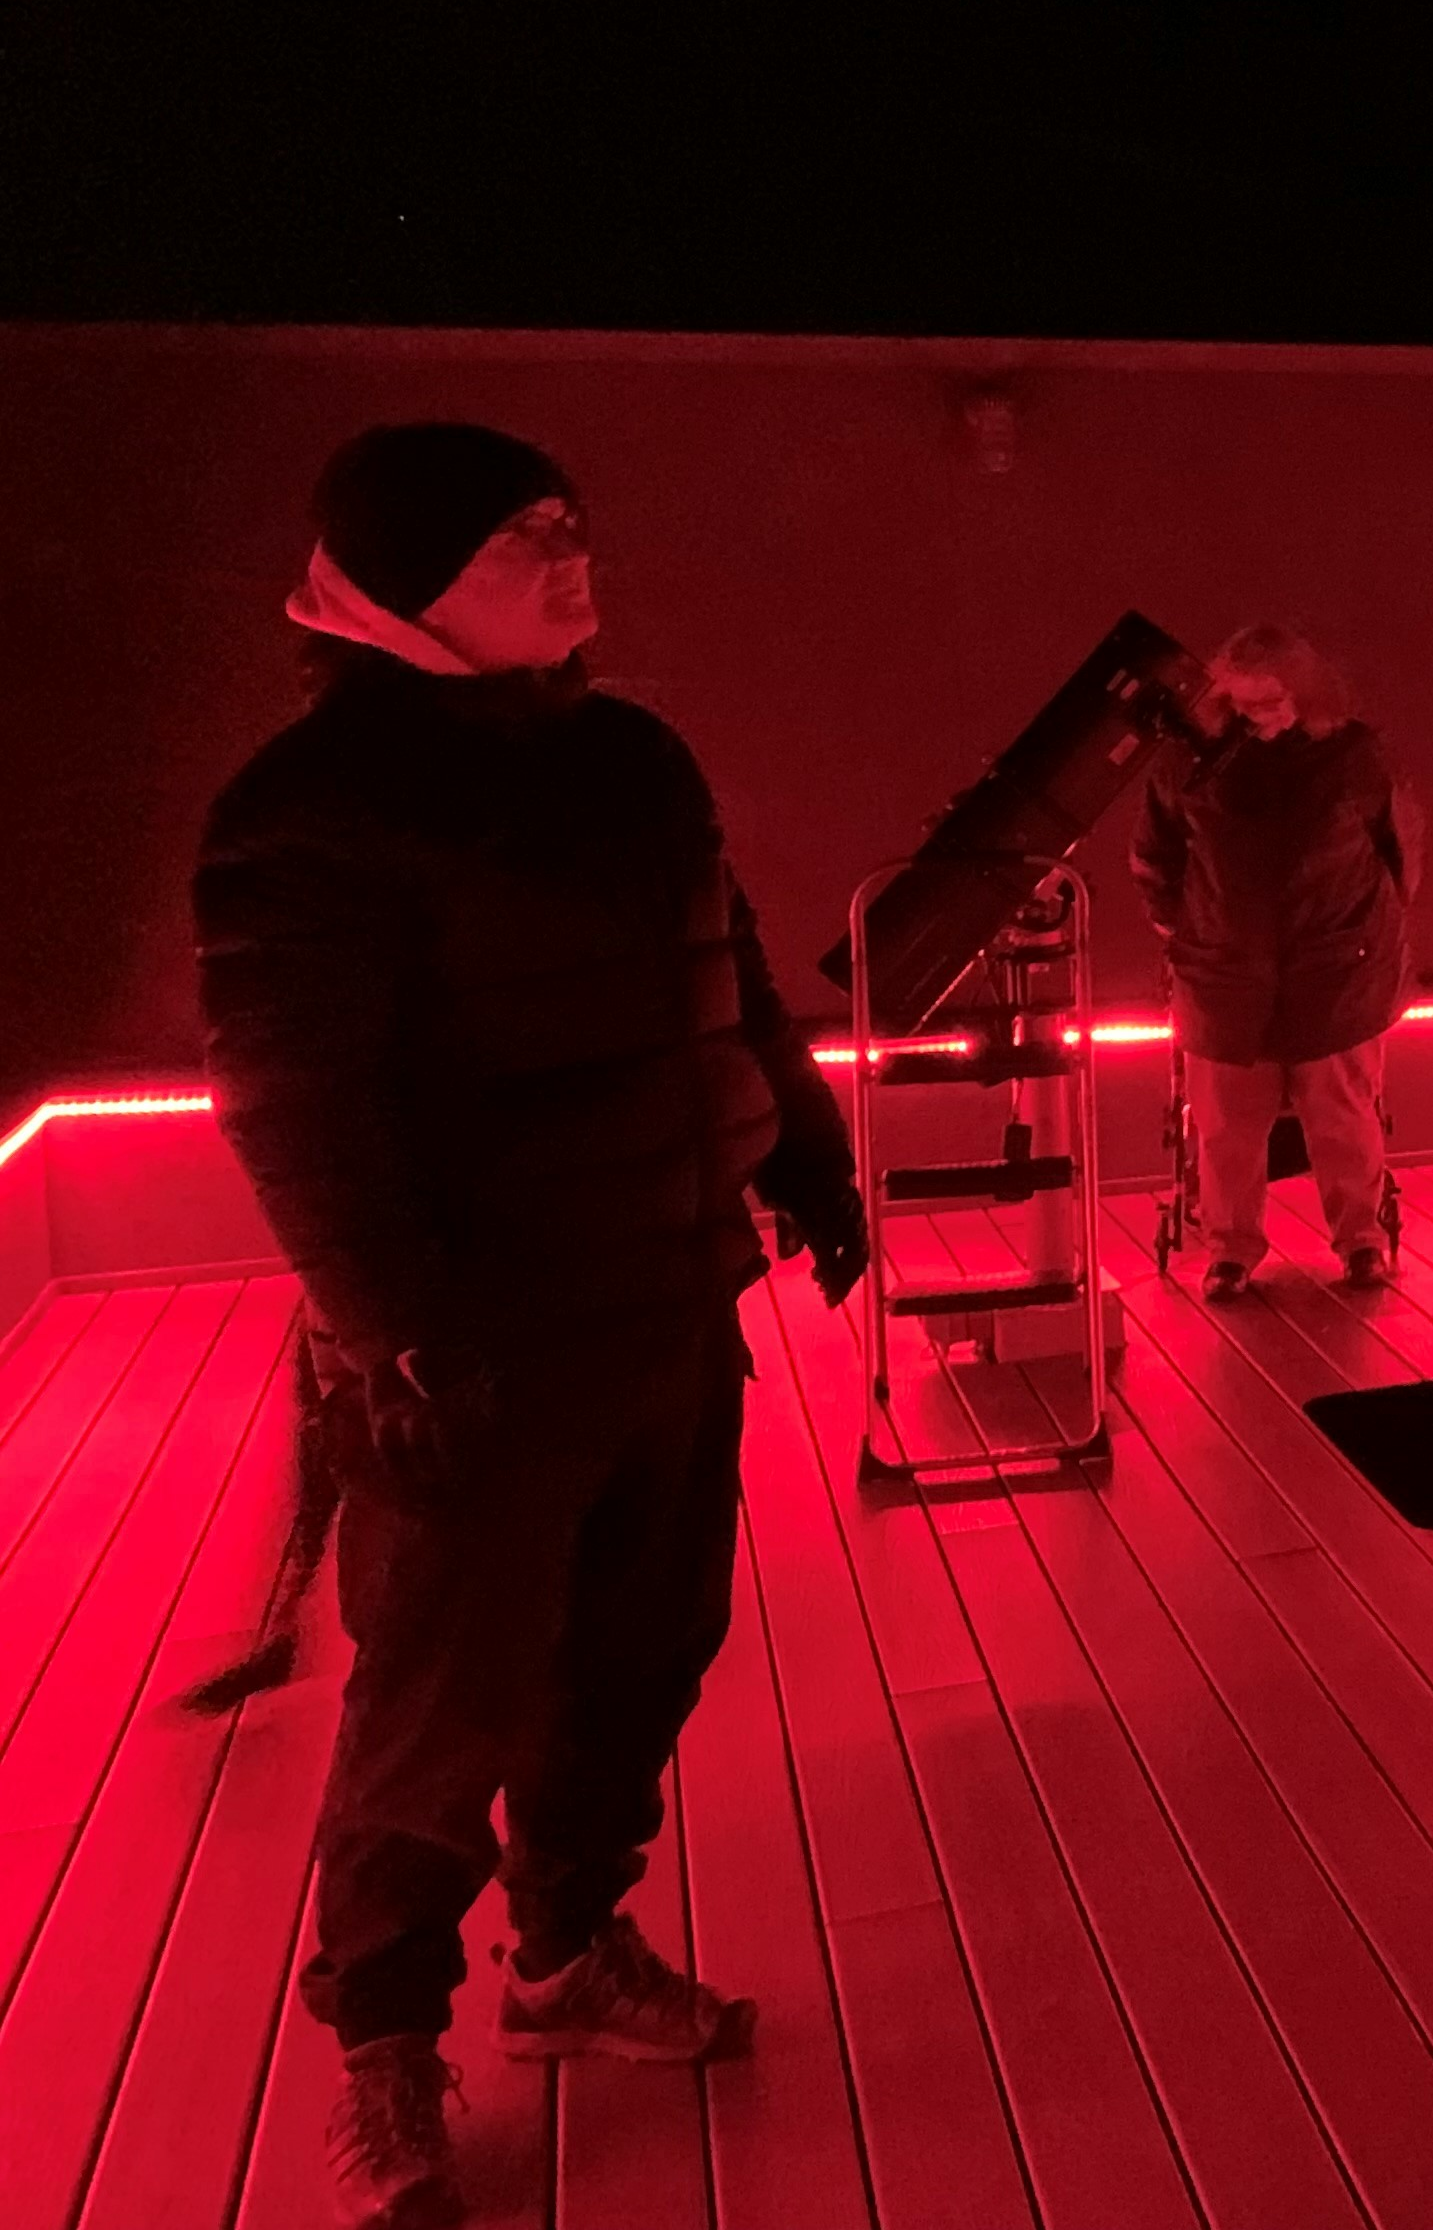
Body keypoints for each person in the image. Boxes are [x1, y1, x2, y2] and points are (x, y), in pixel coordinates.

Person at [195, 423, 869, 2230]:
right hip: (467, 1353)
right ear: (400, 585)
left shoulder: (629, 756)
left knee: (646, 1644)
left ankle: (565, 1948)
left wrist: (804, 1153)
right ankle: (384, 2050)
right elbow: (298, 1100)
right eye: (518, 537)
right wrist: (395, 1323)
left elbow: (716, 966)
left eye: (573, 519)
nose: (572, 556)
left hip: (660, 1290)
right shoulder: (308, 807)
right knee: (437, 1705)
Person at [1133, 622, 1421, 1300]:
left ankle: (1361, 1242)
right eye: (1244, 705)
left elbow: (1398, 846)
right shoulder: (1186, 765)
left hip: (1327, 966)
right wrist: (1194, 928)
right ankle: (1230, 1248)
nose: (1258, 717)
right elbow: (1157, 857)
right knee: (1227, 1125)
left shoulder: (1355, 755)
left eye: (1272, 701)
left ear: (1307, 693)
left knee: (1343, 1116)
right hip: (1232, 970)